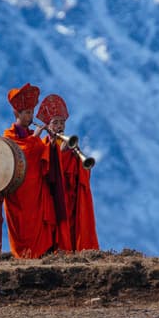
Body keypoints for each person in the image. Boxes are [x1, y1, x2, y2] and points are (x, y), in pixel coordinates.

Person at [37, 93, 99, 252]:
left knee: (72, 225)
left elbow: (79, 172)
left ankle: (72, 249)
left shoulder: (68, 142)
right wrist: (60, 153)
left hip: (69, 195)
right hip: (52, 196)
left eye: (62, 122)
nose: (60, 126)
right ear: (48, 126)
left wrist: (77, 159)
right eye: (55, 123)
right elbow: (45, 170)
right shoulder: (42, 145)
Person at [2, 83, 57, 259]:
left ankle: (40, 255)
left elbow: (43, 154)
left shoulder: (32, 134)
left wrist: (50, 141)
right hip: (18, 192)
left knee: (38, 227)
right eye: (26, 113)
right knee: (22, 228)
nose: (30, 117)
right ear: (16, 114)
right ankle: (23, 256)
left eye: (31, 113)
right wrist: (35, 139)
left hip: (36, 192)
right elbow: (20, 153)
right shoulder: (9, 136)